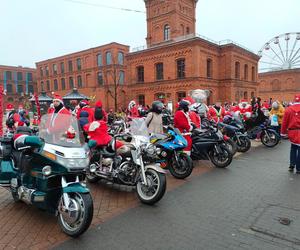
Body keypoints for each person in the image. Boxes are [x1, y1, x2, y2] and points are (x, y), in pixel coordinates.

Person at [281, 94, 300, 173]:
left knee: (293, 148)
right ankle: (299, 168)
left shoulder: (288, 109)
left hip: (292, 132)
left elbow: (284, 122)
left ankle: (291, 165)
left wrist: (283, 132)